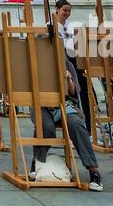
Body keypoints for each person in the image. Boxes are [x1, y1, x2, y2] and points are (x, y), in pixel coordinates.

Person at [30, 58, 104, 191]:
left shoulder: (65, 62)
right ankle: (38, 161)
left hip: (65, 104)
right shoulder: (31, 60)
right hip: (41, 105)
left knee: (76, 124)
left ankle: (94, 171)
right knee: (46, 127)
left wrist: (69, 80)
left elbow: (75, 92)